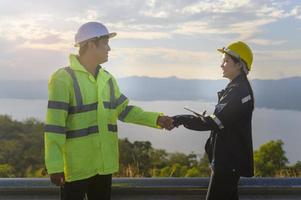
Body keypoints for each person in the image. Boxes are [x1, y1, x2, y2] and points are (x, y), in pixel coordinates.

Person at [44, 21, 174, 200]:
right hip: (76, 168)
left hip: (104, 165)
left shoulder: (107, 79)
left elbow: (124, 111)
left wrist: (156, 119)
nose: (109, 49)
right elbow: (55, 126)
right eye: (105, 43)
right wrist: (55, 166)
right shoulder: (63, 79)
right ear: (91, 44)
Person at [173, 41, 255, 200]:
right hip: (230, 162)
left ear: (239, 64)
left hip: (227, 164)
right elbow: (222, 120)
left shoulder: (237, 91)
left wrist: (181, 119)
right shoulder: (238, 88)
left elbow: (213, 122)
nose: (221, 65)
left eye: (226, 61)